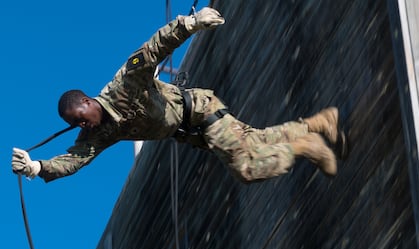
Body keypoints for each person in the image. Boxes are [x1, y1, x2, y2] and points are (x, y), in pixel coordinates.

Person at [12, 7, 345, 184]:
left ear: (86, 103)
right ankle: (319, 123)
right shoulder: (101, 133)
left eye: (79, 119)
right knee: (257, 141)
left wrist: (190, 24)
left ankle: (307, 147)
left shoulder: (124, 84)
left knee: (246, 168)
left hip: (199, 111)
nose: (81, 127)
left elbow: (154, 47)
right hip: (191, 131)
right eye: (75, 125)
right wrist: (37, 167)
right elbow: (74, 161)